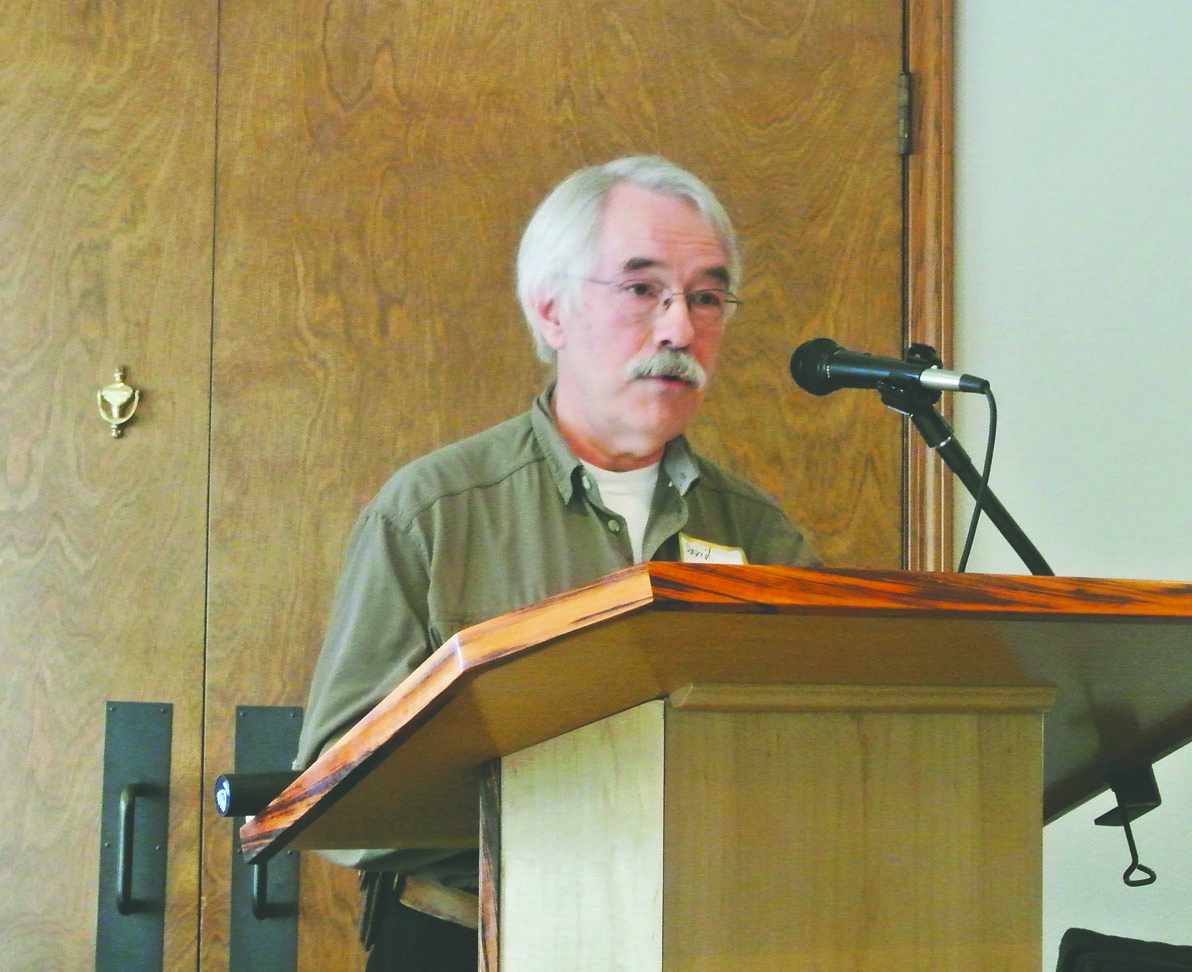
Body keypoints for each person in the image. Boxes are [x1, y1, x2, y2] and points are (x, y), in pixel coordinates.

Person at [294, 155, 820, 970]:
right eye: (643, 289)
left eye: (707, 297)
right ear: (551, 310)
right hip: (468, 942)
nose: (680, 328)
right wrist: (572, 825)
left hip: (703, 940)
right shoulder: (435, 511)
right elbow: (336, 787)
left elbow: (811, 753)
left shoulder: (760, 536)